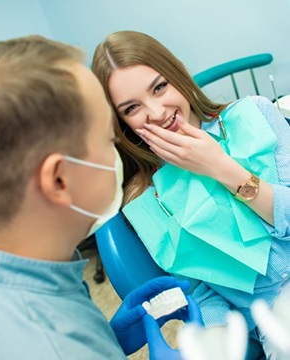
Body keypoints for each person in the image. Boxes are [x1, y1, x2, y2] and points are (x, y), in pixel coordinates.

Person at [0, 35, 193, 359]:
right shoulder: (53, 347)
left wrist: (107, 338)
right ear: (59, 180)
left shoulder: (31, 272)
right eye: (108, 140)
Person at [91, 30, 290, 359]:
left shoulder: (255, 114)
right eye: (131, 108)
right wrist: (213, 342)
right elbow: (203, 290)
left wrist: (222, 168)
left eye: (159, 87)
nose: (156, 112)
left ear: (176, 73)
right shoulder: (144, 199)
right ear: (121, 122)